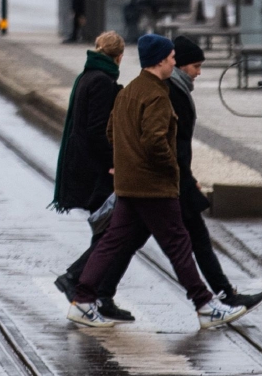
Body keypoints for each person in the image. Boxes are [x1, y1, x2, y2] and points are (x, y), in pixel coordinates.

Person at [66, 34, 248, 331]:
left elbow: (112, 132)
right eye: (173, 58)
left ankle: (83, 299)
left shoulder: (129, 91)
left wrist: (126, 163)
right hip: (153, 185)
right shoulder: (156, 95)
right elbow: (155, 141)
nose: (175, 62)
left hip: (129, 184)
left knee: (112, 241)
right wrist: (170, 169)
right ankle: (204, 304)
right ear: (162, 60)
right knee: (177, 243)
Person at [99, 37, 262, 310]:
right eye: (194, 66)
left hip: (162, 179)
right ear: (173, 64)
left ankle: (98, 291)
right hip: (162, 181)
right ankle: (217, 296)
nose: (198, 72)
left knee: (126, 240)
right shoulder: (167, 93)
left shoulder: (175, 90)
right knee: (190, 240)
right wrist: (179, 175)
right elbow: (161, 142)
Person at [50, 31, 134, 323]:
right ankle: (75, 279)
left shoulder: (89, 75)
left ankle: (99, 294)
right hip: (96, 171)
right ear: (119, 56)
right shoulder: (101, 81)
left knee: (107, 233)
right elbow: (99, 130)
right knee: (111, 234)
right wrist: (114, 163)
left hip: (86, 166)